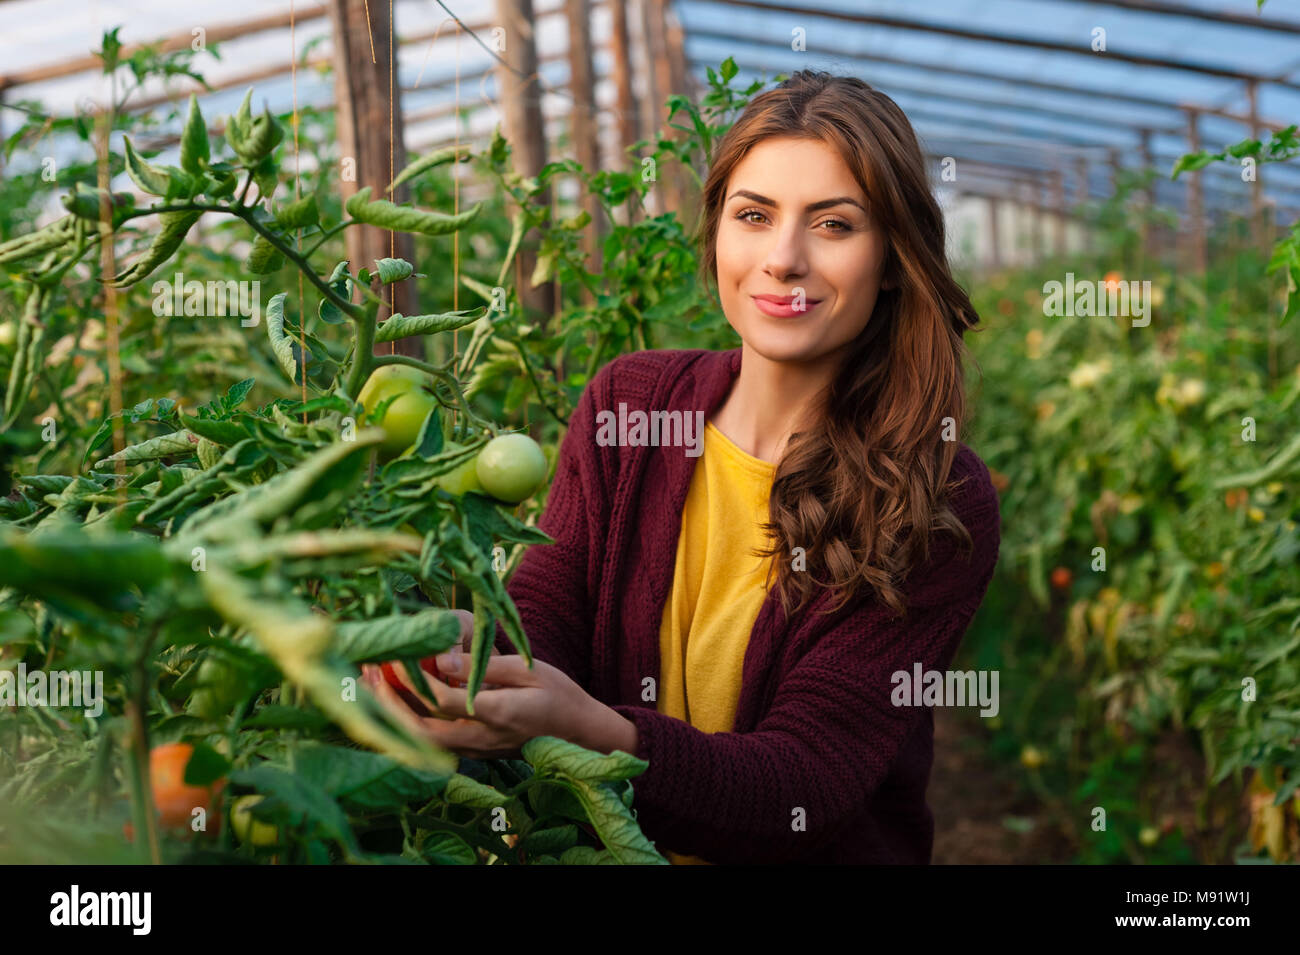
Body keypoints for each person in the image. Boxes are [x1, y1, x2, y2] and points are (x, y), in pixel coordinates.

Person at [363, 70, 1001, 864]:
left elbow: (803, 782)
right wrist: (477, 653)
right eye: (754, 216)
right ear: (718, 232)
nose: (784, 258)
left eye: (834, 225)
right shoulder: (628, 407)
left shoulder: (934, 493)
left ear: (896, 258)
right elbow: (548, 622)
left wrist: (591, 726)